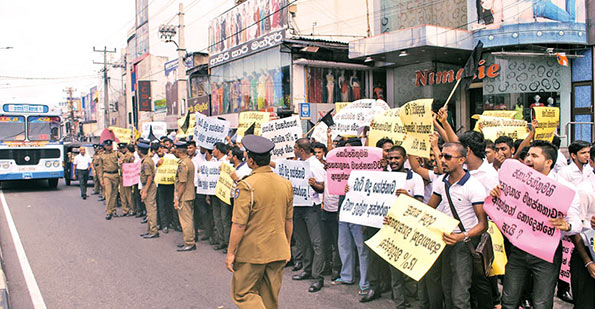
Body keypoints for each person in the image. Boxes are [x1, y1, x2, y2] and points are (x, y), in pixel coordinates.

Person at [490, 140, 582, 309]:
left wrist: (567, 225)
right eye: (527, 155)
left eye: (534, 156)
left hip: (547, 254)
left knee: (542, 302)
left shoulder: (565, 189)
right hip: (518, 250)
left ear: (549, 162)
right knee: (509, 299)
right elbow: (502, 210)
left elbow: (577, 223)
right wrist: (497, 196)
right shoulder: (516, 182)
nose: (528, 159)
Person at [225, 135, 294, 308]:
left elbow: (239, 224)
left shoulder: (246, 185)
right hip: (278, 249)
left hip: (253, 251)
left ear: (251, 160)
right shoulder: (285, 184)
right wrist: (287, 245)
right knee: (269, 297)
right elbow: (288, 220)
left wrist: (231, 253)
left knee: (244, 294)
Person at [426, 142, 489, 308]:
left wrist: (461, 236)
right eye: (441, 156)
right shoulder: (441, 181)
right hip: (446, 240)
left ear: (461, 160)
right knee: (447, 289)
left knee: (460, 294)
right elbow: (426, 210)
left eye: (447, 157)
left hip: (464, 244)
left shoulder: (473, 186)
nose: (442, 160)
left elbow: (483, 224)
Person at [291, 138, 326, 293]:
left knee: (317, 243)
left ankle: (318, 277)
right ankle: (307, 269)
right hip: (298, 206)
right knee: (303, 241)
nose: (293, 149)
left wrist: (314, 184)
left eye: (295, 147)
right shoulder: (298, 163)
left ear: (301, 150)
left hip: (311, 208)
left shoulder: (315, 165)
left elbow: (322, 187)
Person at [572, 145, 595, 308]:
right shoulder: (584, 190)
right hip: (587, 254)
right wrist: (588, 262)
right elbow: (575, 230)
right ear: (592, 163)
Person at [173, 141, 196, 252]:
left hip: (184, 195)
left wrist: (177, 197)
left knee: (185, 220)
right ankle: (190, 239)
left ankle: (189, 242)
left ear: (178, 151)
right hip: (189, 194)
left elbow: (182, 183)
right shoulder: (189, 161)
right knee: (189, 218)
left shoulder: (183, 164)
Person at [211, 142, 231, 252]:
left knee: (225, 219)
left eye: (214, 149)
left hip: (224, 195)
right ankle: (221, 241)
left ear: (218, 150)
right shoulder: (213, 162)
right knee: (217, 218)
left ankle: (228, 243)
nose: (212, 151)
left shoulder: (227, 161)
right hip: (214, 193)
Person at [138, 142, 159, 239]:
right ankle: (150, 229)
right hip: (147, 185)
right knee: (149, 209)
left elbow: (149, 176)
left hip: (149, 186)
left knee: (151, 210)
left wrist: (145, 190)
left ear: (139, 151)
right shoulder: (147, 160)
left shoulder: (146, 162)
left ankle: (153, 231)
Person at [102, 139, 122, 220]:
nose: (108, 147)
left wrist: (121, 160)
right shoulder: (102, 155)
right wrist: (100, 179)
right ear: (104, 146)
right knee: (108, 193)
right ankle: (108, 212)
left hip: (115, 174)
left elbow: (123, 156)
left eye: (110, 145)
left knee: (114, 193)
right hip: (107, 175)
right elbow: (100, 168)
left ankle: (113, 210)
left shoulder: (116, 153)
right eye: (107, 145)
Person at [120, 143, 136, 216]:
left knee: (128, 194)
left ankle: (132, 208)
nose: (122, 149)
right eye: (121, 148)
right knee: (122, 193)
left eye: (123, 148)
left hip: (128, 176)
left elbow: (132, 166)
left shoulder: (130, 156)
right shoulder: (122, 156)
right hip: (122, 176)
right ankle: (125, 209)